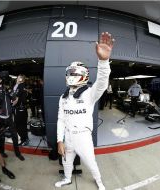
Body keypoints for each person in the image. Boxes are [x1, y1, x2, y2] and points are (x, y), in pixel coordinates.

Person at [55, 32, 114, 190]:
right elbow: (61, 119)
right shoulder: (63, 97)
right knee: (66, 161)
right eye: (69, 73)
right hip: (68, 136)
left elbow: (102, 82)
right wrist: (59, 140)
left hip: (83, 137)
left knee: (91, 162)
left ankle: (99, 181)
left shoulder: (89, 93)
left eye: (74, 73)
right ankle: (67, 179)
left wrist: (103, 61)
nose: (71, 76)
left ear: (83, 75)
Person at [0, 75, 25, 161]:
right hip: (0, 117)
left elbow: (14, 98)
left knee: (14, 135)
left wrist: (11, 101)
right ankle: (1, 151)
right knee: (1, 136)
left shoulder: (8, 89)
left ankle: (17, 153)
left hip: (9, 117)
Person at [12, 74, 29, 146]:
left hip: (20, 110)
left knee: (19, 125)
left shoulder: (20, 86)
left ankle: (24, 140)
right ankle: (25, 139)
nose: (17, 79)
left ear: (21, 79)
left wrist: (10, 105)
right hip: (23, 109)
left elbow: (16, 99)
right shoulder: (23, 86)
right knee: (23, 125)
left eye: (18, 78)